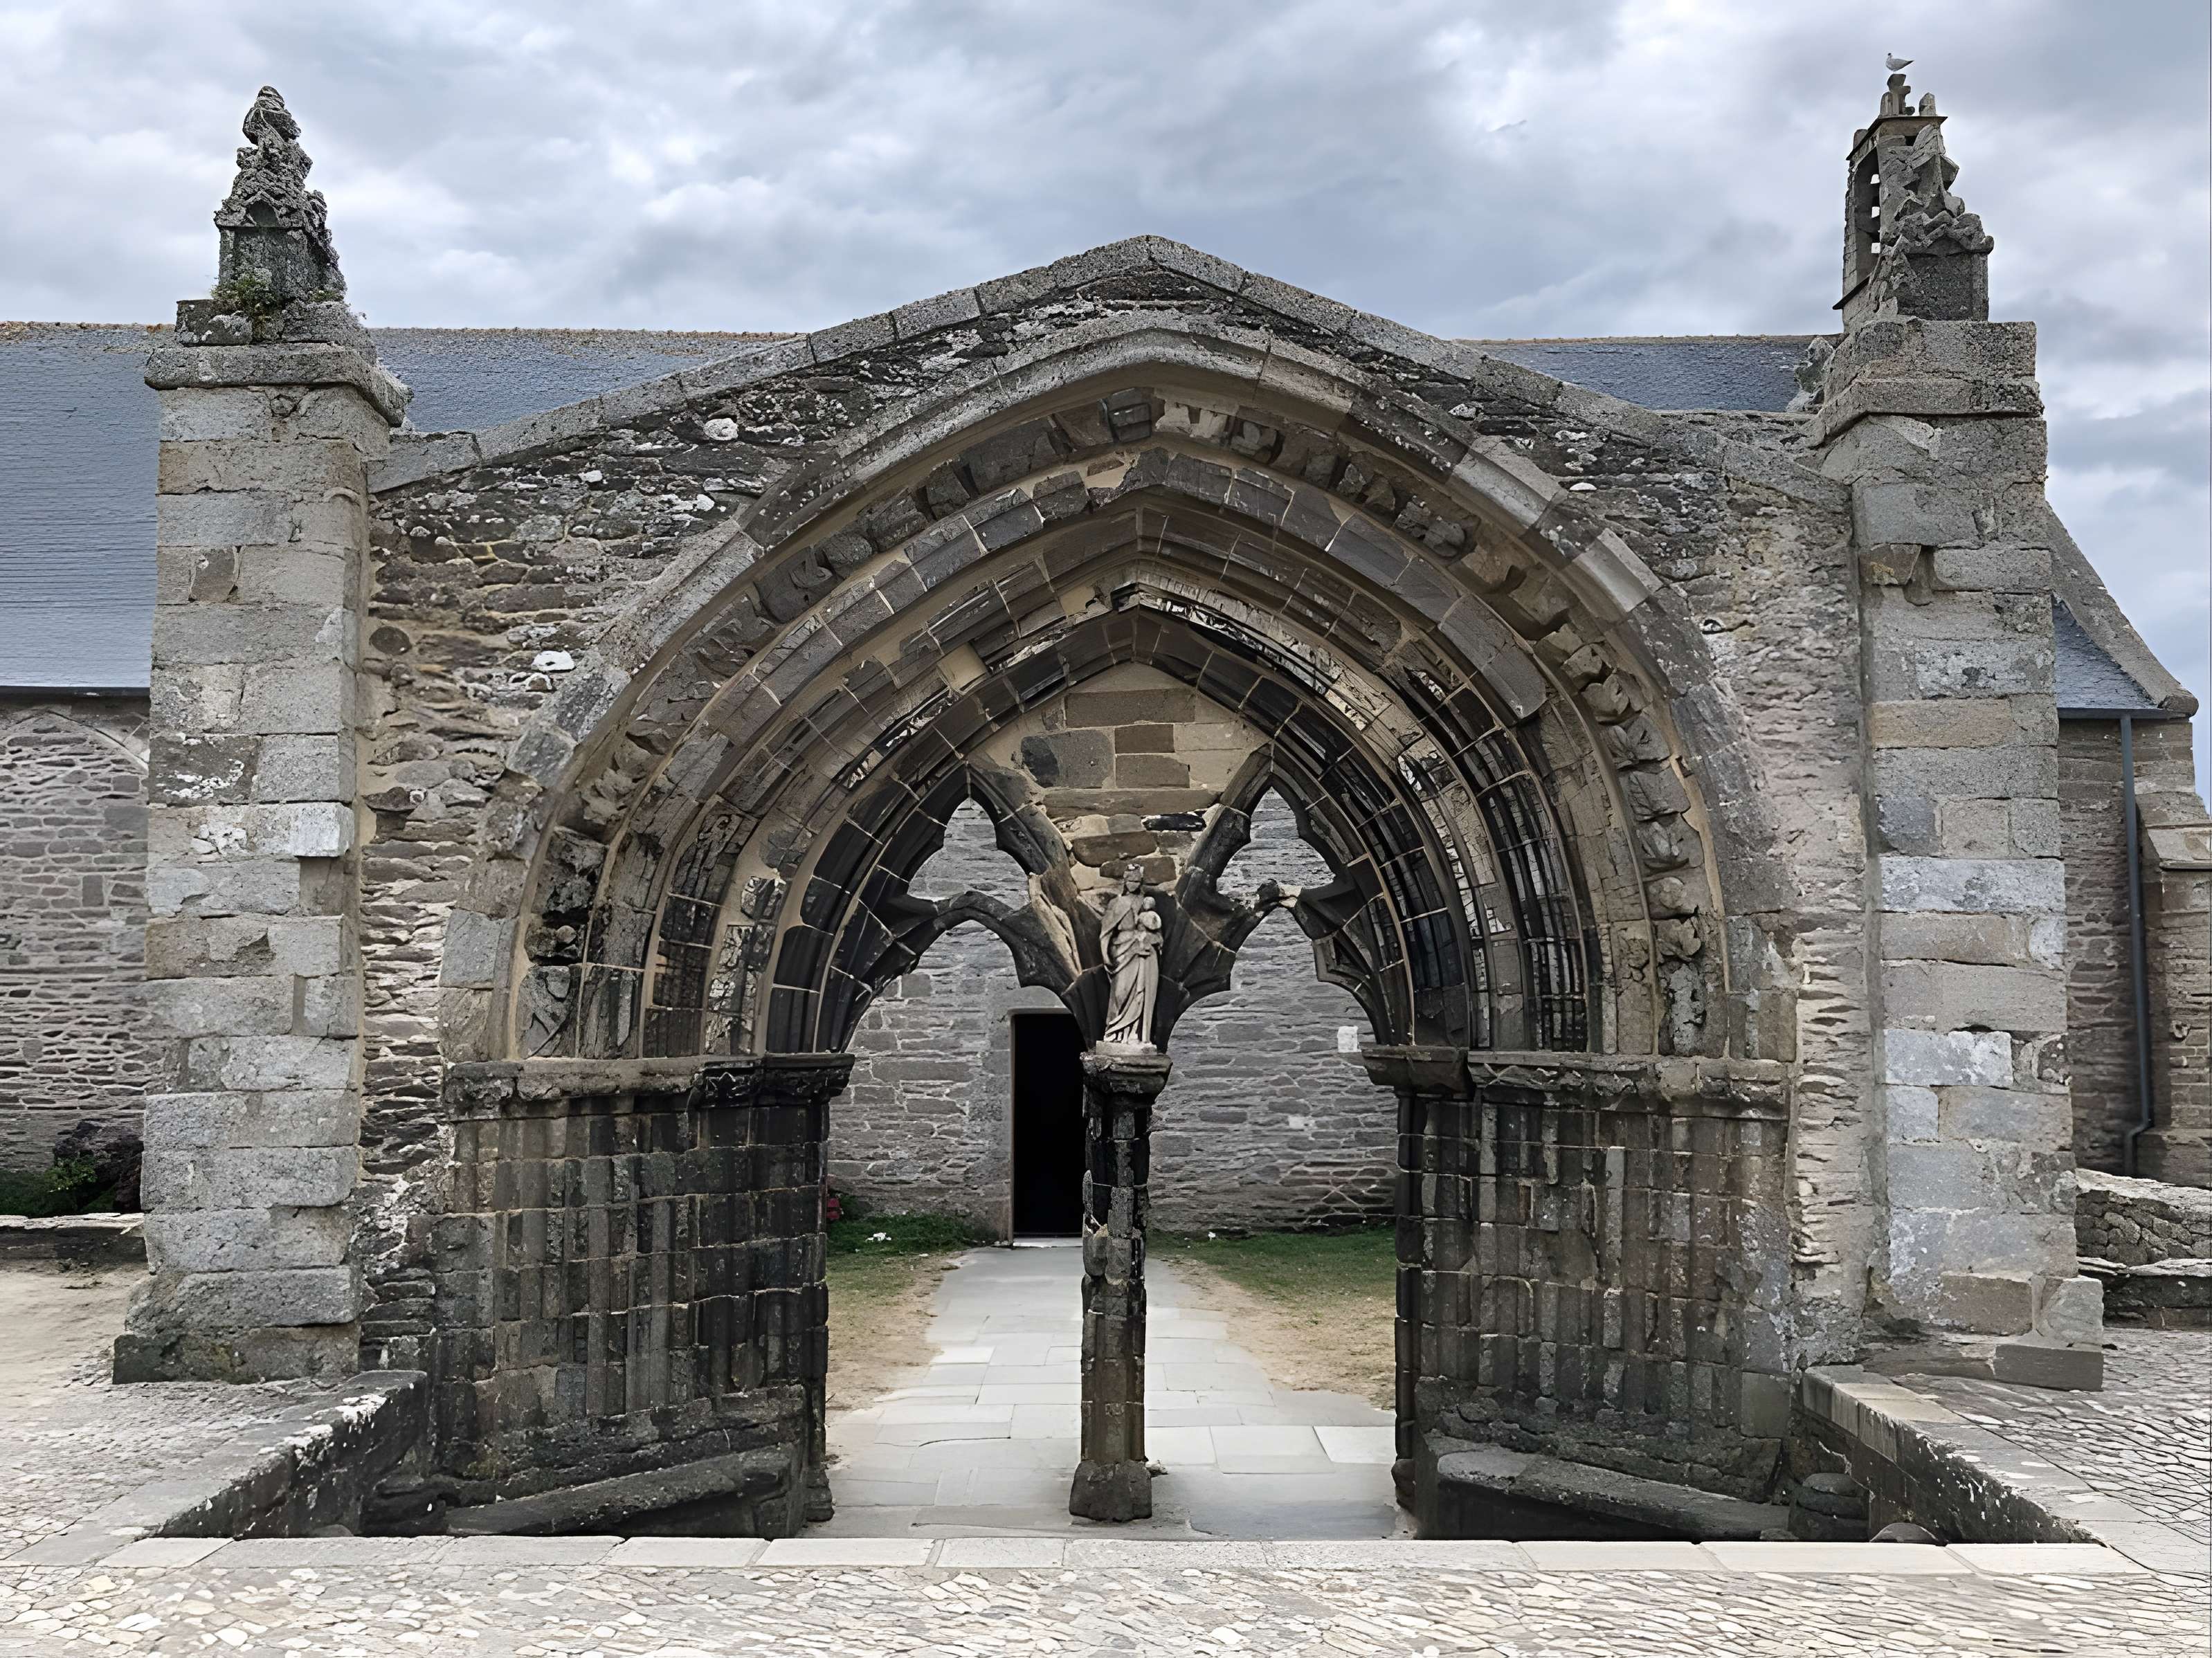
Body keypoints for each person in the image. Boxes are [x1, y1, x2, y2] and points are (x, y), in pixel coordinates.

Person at [1098, 868, 1162, 1048]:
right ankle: (1114, 1033)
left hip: (1145, 952)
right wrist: (1105, 955)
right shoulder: (1116, 903)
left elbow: (1157, 929)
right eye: (1130, 881)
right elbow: (1105, 933)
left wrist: (1153, 939)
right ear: (1125, 882)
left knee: (1141, 994)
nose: (1133, 885)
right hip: (1123, 951)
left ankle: (1136, 1034)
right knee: (1121, 992)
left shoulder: (1146, 902)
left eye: (1137, 882)